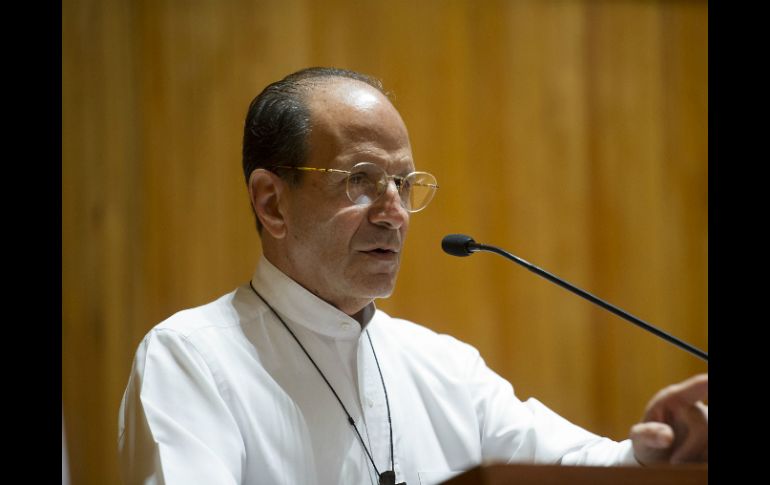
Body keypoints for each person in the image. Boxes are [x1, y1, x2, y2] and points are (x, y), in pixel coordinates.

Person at [118, 67, 707, 485]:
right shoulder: (191, 361)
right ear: (272, 202)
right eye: (362, 179)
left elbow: (573, 465)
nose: (394, 212)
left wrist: (653, 457)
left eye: (402, 183)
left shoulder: (444, 367)